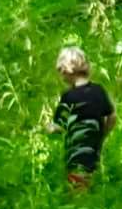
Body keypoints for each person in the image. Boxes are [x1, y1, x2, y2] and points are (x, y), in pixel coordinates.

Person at [47, 46, 114, 189]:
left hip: (75, 149)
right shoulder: (98, 90)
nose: (61, 76)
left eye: (61, 71)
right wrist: (102, 135)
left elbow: (60, 125)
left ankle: (79, 204)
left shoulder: (69, 96)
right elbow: (112, 116)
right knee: (91, 178)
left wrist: (49, 128)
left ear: (68, 70)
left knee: (76, 182)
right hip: (94, 147)